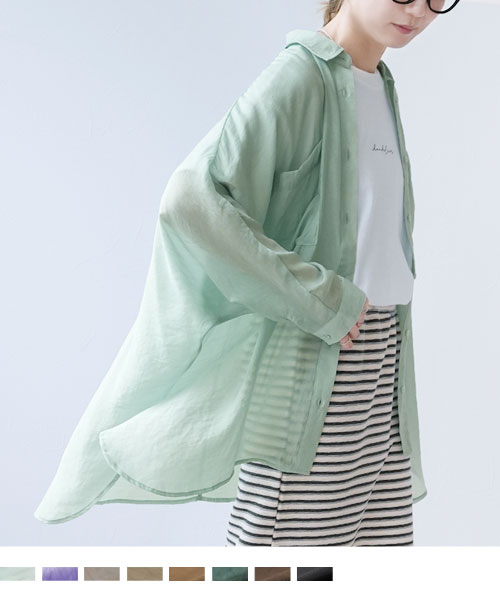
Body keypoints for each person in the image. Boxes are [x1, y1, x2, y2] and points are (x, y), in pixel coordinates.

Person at [34, 0, 459, 540]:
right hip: (318, 362)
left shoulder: (378, 82)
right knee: (292, 564)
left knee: (380, 554)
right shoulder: (301, 76)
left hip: (383, 361)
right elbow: (191, 200)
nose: (420, 10)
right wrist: (316, 298)